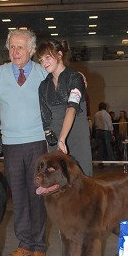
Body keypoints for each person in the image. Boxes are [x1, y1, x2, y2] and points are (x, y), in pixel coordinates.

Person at [0, 28, 48, 256]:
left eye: (21, 47)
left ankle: (39, 246)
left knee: (37, 195)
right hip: (11, 145)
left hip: (38, 142)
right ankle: (24, 244)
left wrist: (78, 79)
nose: (15, 51)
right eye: (12, 47)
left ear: (32, 50)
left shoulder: (43, 72)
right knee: (19, 197)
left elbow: (62, 84)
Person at [36, 39, 92, 177]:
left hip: (77, 133)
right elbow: (45, 118)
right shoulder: (43, 86)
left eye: (47, 57)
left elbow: (71, 108)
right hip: (55, 138)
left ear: (59, 55)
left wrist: (62, 138)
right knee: (59, 179)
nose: (44, 63)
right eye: (41, 60)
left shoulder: (75, 77)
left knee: (81, 177)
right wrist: (51, 140)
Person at [93, 102, 115, 166]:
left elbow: (94, 124)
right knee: (108, 147)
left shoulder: (96, 114)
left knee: (100, 147)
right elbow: (109, 124)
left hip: (98, 132)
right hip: (105, 132)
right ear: (105, 107)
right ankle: (112, 162)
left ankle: (100, 163)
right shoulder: (106, 114)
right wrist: (112, 134)